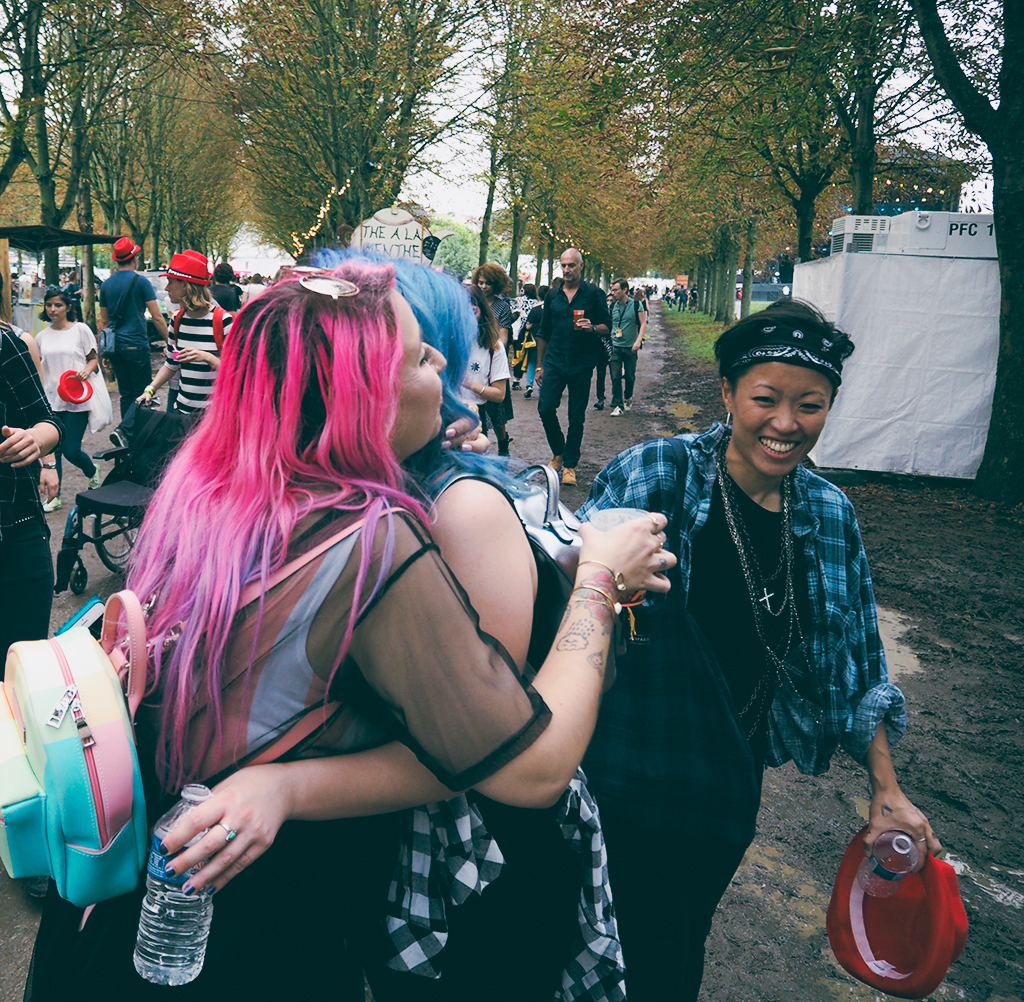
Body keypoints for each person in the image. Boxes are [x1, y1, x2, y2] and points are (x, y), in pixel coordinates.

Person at [26, 259, 670, 1002]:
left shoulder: (205, 484)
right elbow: (533, 770)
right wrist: (601, 578)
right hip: (253, 919)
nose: (442, 370)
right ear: (364, 401)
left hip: (128, 894)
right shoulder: (369, 535)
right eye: (421, 358)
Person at [578, 298, 940, 1001]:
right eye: (765, 398)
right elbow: (568, 600)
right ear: (727, 393)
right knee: (605, 948)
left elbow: (857, 661)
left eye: (810, 404)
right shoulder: (660, 473)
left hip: (724, 789)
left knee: (674, 944)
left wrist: (887, 791)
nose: (785, 423)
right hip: (615, 776)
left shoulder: (829, 514)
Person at [0, 322, 62, 672]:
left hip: (15, 539)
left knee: (21, 676)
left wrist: (38, 441)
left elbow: (48, 420)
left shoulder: (5, 345)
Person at [536, 248, 612, 486]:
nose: (567, 270)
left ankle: (570, 465)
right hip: (555, 361)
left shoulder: (593, 294)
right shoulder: (552, 296)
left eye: (571, 265)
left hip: (581, 362)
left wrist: (593, 327)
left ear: (581, 266)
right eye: (564, 266)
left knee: (576, 416)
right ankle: (558, 452)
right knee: (545, 408)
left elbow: (607, 326)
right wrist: (539, 366)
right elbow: (544, 332)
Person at [34, 287, 113, 511]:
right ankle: (54, 496)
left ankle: (92, 470)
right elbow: (39, 367)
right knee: (53, 450)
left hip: (77, 398)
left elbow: (93, 359)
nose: (52, 310)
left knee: (70, 449)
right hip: (51, 399)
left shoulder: (80, 330)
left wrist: (86, 372)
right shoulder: (41, 337)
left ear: (68, 307)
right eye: (49, 305)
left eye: (57, 305)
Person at [137, 252, 231, 415]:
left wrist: (207, 357)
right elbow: (171, 364)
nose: (166, 288)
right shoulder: (177, 320)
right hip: (182, 413)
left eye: (170, 282)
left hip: (215, 418)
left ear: (186, 285)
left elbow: (237, 372)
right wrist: (150, 389)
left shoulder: (223, 321)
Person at [99, 237, 169, 417]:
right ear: (135, 258)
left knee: (126, 394)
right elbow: (157, 317)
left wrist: (104, 351)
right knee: (142, 393)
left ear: (116, 260)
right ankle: (140, 435)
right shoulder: (141, 282)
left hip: (115, 347)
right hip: (136, 345)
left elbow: (104, 322)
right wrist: (170, 341)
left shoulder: (106, 285)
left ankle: (126, 434)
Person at [467, 284, 513, 456]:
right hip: (445, 417)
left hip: (476, 418)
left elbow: (499, 394)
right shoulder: (446, 341)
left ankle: (503, 445)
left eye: (472, 312)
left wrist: (472, 384)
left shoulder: (494, 347)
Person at [607, 279, 647, 416]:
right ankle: (618, 405)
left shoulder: (636, 305)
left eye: (616, 290)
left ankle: (628, 397)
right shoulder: (612, 307)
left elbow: (643, 323)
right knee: (615, 376)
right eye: (612, 290)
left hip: (631, 346)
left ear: (625, 290)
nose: (613, 293)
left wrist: (638, 341)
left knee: (629, 376)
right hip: (615, 346)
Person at [518, 284, 547, 399]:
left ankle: (529, 384)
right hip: (546, 339)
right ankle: (541, 387)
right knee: (544, 362)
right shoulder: (551, 308)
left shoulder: (535, 309)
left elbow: (528, 325)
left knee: (532, 362)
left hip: (533, 339)